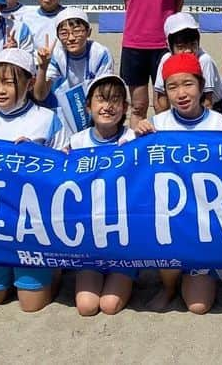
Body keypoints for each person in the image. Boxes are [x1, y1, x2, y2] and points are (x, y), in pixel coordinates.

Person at [0, 48, 67, 311]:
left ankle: (55, 270)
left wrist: (38, 155)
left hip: (32, 228)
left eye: (8, 82)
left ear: (28, 83)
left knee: (31, 305)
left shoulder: (47, 119)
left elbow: (65, 170)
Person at [134, 53, 222, 314]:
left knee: (199, 306)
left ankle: (202, 275)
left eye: (188, 84)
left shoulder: (221, 124)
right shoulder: (156, 125)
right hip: (170, 215)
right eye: (172, 87)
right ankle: (169, 287)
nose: (181, 93)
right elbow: (127, 165)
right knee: (167, 237)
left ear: (201, 86)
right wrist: (135, 138)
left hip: (207, 218)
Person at [66, 75, 138, 317]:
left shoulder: (133, 139)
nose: (107, 107)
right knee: (86, 307)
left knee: (109, 306)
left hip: (124, 241)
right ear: (88, 106)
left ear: (125, 108)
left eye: (115, 100)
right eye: (100, 100)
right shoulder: (76, 141)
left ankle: (130, 274)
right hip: (89, 240)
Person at [33, 6, 113, 132]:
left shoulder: (100, 53)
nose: (70, 38)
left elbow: (105, 94)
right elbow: (40, 96)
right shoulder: (57, 55)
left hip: (94, 110)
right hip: (66, 110)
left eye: (76, 31)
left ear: (88, 32)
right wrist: (42, 68)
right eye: (64, 33)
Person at [152, 12, 222, 113]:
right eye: (181, 47)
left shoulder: (204, 60)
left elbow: (208, 102)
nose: (188, 51)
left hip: (212, 107)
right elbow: (160, 99)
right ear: (170, 47)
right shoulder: (166, 59)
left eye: (193, 45)